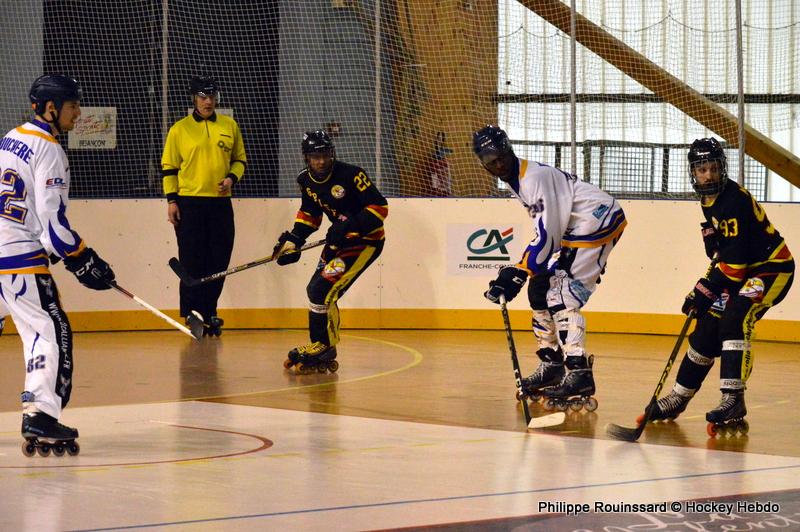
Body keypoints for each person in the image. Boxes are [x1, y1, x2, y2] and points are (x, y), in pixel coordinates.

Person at [644, 137, 794, 434]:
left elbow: (735, 269)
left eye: (713, 168)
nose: (709, 175)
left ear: (722, 168)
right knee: (707, 328)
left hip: (770, 269)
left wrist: (703, 290)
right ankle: (679, 396)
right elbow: (727, 253)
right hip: (743, 270)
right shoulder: (707, 200)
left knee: (735, 318)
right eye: (702, 170)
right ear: (693, 172)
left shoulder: (733, 200)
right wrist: (713, 244)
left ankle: (733, 398)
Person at [0, 74, 116, 455]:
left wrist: (58, 251)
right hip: (19, 260)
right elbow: (53, 226)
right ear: (51, 108)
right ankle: (41, 413)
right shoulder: (49, 150)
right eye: (72, 106)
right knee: (49, 329)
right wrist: (83, 258)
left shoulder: (10, 138)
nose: (78, 113)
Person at [472, 125, 627, 409]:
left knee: (561, 295)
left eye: (501, 157)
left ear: (509, 149)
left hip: (596, 220)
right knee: (539, 289)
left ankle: (579, 371)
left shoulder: (534, 178)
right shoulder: (516, 179)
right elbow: (547, 233)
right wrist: (524, 271)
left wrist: (519, 271)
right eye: (490, 162)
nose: (498, 165)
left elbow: (548, 236)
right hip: (576, 225)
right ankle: (552, 364)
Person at [273, 130, 388, 374]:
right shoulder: (305, 180)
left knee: (322, 290)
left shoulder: (352, 174)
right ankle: (321, 344)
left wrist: (348, 226)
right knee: (315, 290)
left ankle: (324, 346)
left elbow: (380, 208)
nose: (321, 161)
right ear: (306, 157)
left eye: (325, 155)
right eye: (315, 157)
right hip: (338, 242)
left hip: (364, 242)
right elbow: (310, 214)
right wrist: (294, 240)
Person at [162, 76, 246, 337]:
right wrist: (172, 200)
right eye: (202, 97)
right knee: (192, 260)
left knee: (219, 261)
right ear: (194, 99)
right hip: (190, 203)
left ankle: (210, 312)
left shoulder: (229, 125)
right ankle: (192, 312)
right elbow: (169, 168)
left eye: (211, 96)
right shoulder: (179, 129)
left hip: (220, 204)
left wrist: (231, 178)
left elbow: (240, 161)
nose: (208, 101)